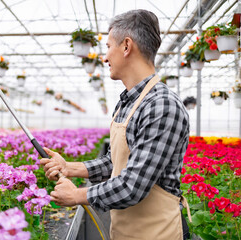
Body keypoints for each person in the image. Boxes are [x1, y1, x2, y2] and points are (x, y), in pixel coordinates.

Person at [41, 9, 191, 240]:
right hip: (125, 232)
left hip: (156, 233)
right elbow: (115, 163)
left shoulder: (162, 106)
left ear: (126, 46)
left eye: (109, 46)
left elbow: (132, 185)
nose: (105, 57)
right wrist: (71, 168)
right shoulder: (126, 103)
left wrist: (77, 195)